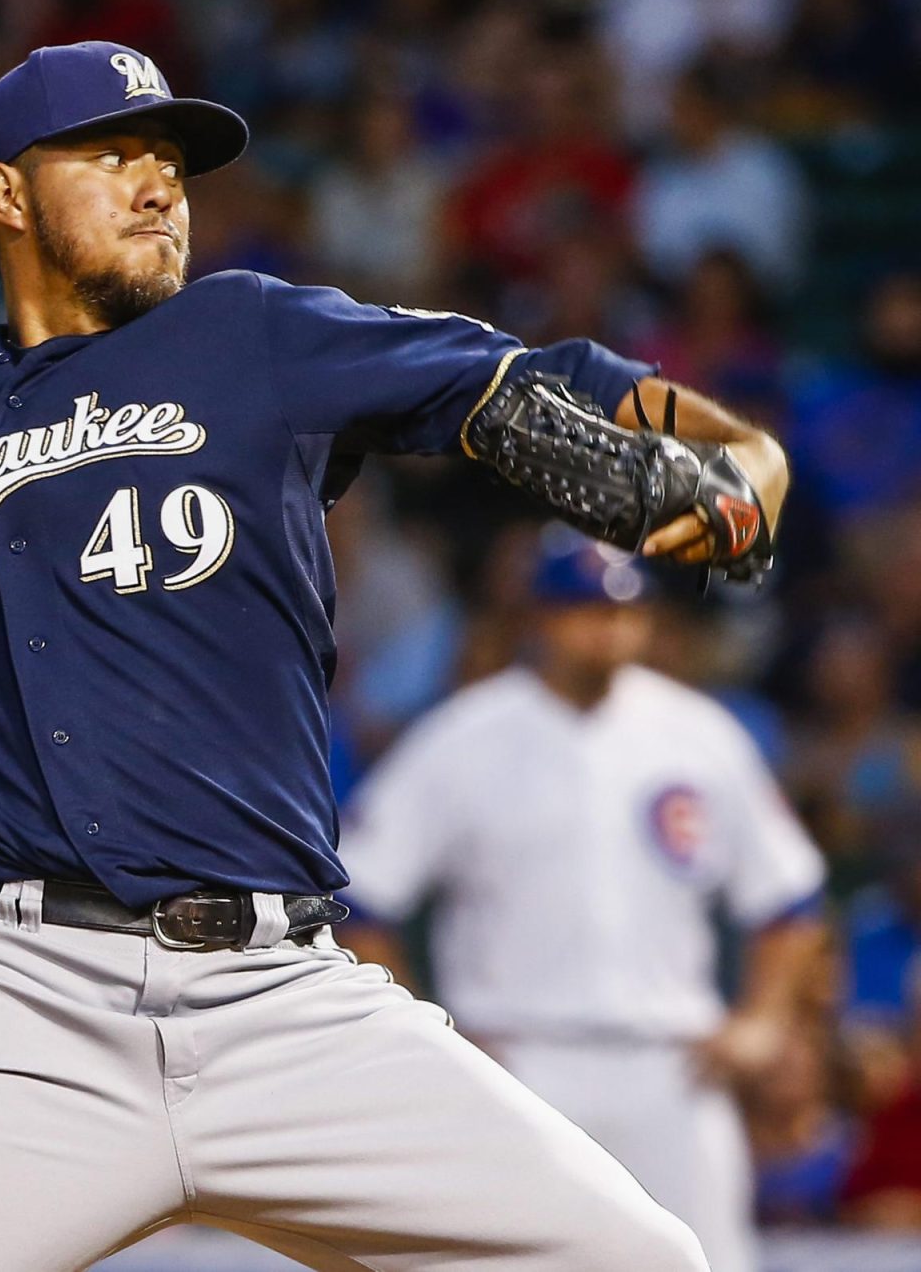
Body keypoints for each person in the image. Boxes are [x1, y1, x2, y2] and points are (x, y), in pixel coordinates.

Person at [0, 39, 790, 1271]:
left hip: (287, 1004)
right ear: (7, 192)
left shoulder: (248, 334)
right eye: (114, 153)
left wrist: (735, 446)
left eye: (173, 165)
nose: (158, 184)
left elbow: (516, 383)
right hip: (23, 1012)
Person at [336, 530, 827, 1272]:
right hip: (520, 1062)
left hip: (672, 1065)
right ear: (539, 620)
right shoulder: (467, 736)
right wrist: (423, 1034)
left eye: (623, 612)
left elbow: (789, 897)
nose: (609, 630)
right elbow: (361, 896)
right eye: (585, 611)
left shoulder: (698, 734)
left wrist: (762, 1020)